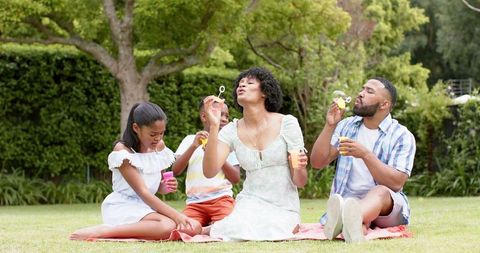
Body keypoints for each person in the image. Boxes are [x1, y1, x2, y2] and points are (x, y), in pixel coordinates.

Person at [202, 67, 309, 241]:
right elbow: (209, 171)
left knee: (272, 229)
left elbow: (300, 181)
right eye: (240, 84)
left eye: (249, 83)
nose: (241, 86)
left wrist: (301, 167)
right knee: (241, 226)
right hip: (250, 203)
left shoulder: (287, 123)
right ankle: (216, 228)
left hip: (284, 206)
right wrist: (214, 126)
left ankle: (212, 229)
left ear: (264, 92)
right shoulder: (231, 130)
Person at [70, 102, 201, 240]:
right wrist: (176, 215)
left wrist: (163, 186)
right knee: (167, 225)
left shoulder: (159, 147)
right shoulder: (123, 151)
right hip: (123, 206)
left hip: (146, 207)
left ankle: (140, 231)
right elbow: (143, 192)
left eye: (161, 133)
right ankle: (103, 232)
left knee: (195, 227)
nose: (158, 138)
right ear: (136, 128)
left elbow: (158, 188)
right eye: (153, 134)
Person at [310, 77, 416, 243]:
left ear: (384, 104)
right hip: (347, 201)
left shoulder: (401, 135)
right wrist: (330, 126)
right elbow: (317, 162)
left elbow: (396, 183)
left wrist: (366, 155)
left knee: (380, 191)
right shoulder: (346, 125)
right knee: (354, 229)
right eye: (362, 89)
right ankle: (356, 224)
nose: (360, 94)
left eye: (369, 91)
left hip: (385, 210)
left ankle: (345, 218)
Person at [171, 99, 241, 227]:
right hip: (194, 203)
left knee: (229, 227)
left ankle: (209, 227)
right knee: (183, 229)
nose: (224, 119)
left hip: (221, 200)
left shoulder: (228, 144)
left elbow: (235, 178)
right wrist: (193, 146)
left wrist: (216, 154)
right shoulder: (190, 140)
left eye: (227, 116)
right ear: (204, 116)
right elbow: (175, 171)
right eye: (220, 115)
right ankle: (211, 226)